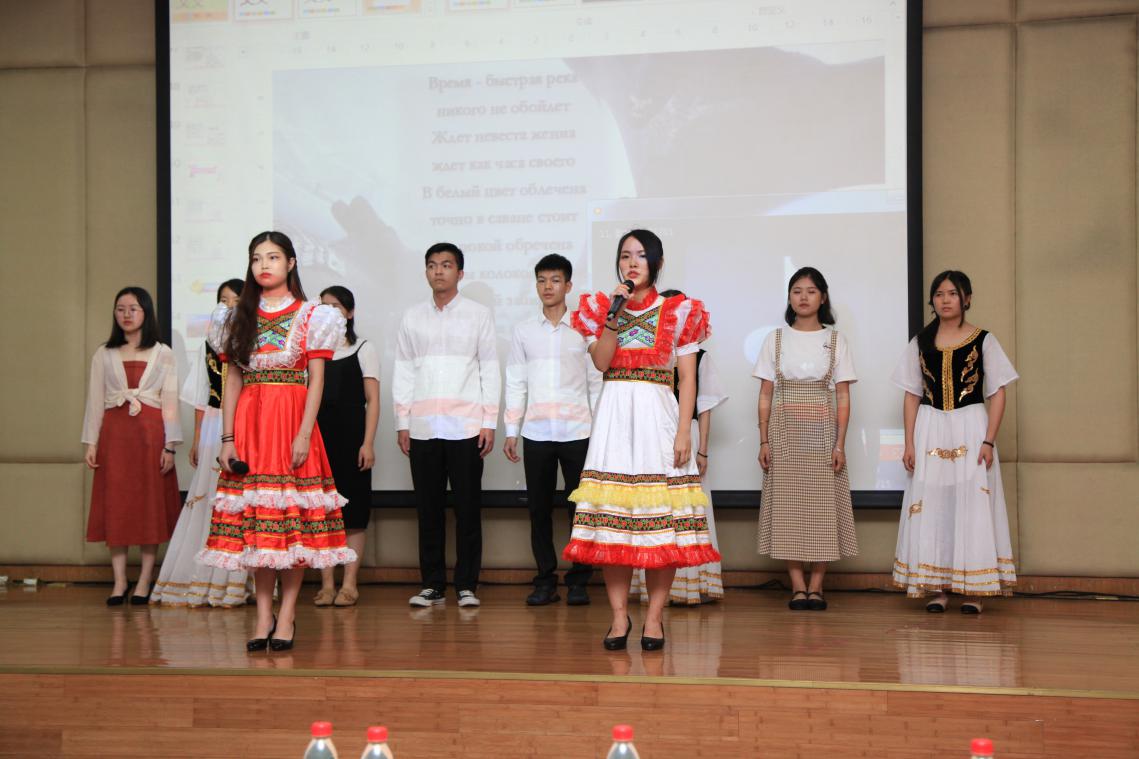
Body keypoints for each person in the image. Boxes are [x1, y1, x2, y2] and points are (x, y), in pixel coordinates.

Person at [197, 231, 354, 652]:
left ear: (291, 263)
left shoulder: (313, 315)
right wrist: (228, 438)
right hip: (251, 424)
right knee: (258, 526)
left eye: (272, 257)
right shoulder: (236, 317)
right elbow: (232, 380)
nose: (263, 265)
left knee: (291, 525)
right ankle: (263, 615)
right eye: (256, 258)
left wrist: (303, 433)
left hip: (291, 423)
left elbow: (316, 380)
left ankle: (287, 615)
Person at [563, 229, 718, 651]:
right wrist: (612, 319)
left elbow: (688, 379)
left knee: (661, 525)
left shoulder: (679, 311)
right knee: (613, 528)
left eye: (641, 255)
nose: (632, 263)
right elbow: (601, 362)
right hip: (615, 418)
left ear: (657, 263)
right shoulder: (601, 307)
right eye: (625, 255)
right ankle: (619, 618)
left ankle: (653, 618)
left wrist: (684, 431)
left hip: (658, 417)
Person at [891, 270, 1018, 613]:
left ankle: (974, 590)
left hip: (970, 425)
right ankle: (938, 587)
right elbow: (911, 395)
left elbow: (998, 392)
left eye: (952, 293)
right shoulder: (921, 342)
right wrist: (909, 443)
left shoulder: (984, 340)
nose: (945, 300)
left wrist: (989, 441)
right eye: (939, 294)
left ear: (967, 298)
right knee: (934, 502)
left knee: (972, 501)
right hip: (930, 426)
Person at [393, 242, 500, 609]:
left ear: (460, 272)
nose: (438, 271)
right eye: (432, 265)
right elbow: (404, 371)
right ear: (426, 271)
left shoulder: (478, 315)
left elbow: (489, 368)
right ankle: (432, 585)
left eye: (446, 265)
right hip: (422, 427)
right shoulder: (412, 317)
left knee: (468, 510)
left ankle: (467, 585)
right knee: (428, 510)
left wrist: (489, 421)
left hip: (466, 426)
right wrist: (402, 421)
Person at [754, 267, 858, 611]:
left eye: (811, 291)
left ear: (822, 297)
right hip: (783, 431)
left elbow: (843, 397)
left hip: (823, 432)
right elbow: (765, 394)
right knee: (788, 508)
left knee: (823, 507)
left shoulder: (836, 340)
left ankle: (817, 586)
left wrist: (840, 444)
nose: (803, 297)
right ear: (789, 297)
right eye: (797, 290)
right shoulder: (775, 339)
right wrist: (764, 440)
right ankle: (797, 586)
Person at [503, 253, 601, 607]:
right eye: (542, 280)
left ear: (568, 286)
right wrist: (511, 429)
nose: (548, 287)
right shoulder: (524, 331)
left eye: (555, 280)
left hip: (579, 432)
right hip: (537, 433)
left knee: (580, 510)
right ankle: (544, 580)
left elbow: (596, 383)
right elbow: (516, 381)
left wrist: (600, 429)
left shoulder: (584, 329)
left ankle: (579, 580)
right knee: (539, 510)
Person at [151, 279, 251, 607]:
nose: (229, 306)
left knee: (242, 498)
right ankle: (205, 576)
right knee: (211, 493)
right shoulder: (208, 345)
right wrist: (196, 439)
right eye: (223, 300)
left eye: (235, 300)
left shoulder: (254, 341)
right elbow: (200, 396)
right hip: (214, 423)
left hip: (247, 423)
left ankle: (241, 581)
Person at [83, 286, 182, 606]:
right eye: (120, 309)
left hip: (151, 437)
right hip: (115, 437)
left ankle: (144, 580)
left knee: (149, 507)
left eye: (133, 308)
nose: (126, 315)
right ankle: (119, 581)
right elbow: (95, 401)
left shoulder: (163, 353)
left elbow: (170, 403)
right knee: (117, 505)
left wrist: (170, 446)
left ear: (146, 312)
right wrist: (91, 442)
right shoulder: (104, 353)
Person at [631, 288, 729, 606]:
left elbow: (706, 405)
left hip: (686, 434)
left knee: (687, 509)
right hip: (650, 433)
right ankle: (651, 587)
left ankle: (691, 585)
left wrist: (703, 450)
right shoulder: (645, 350)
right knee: (651, 506)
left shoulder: (698, 355)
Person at [313, 285, 380, 608]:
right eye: (323, 306)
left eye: (335, 306)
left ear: (350, 312)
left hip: (352, 439)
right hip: (319, 440)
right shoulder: (313, 351)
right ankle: (327, 584)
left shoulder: (363, 348)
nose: (328, 312)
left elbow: (373, 400)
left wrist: (368, 443)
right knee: (323, 514)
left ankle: (350, 584)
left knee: (353, 516)